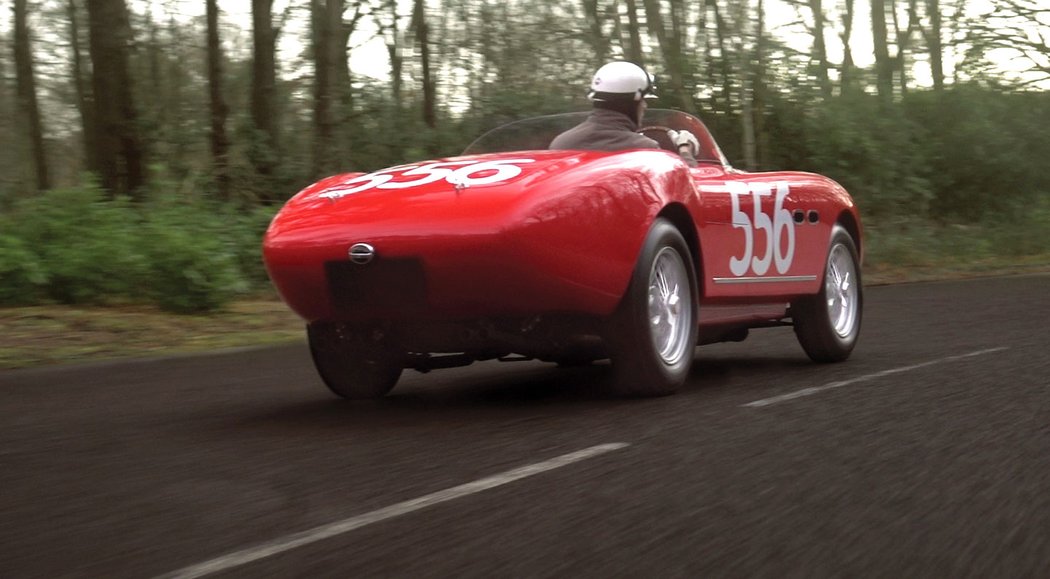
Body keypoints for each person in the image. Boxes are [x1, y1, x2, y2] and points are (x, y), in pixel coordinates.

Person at [549, 61, 699, 166]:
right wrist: (685, 149)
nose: (645, 106)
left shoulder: (560, 143)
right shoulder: (643, 148)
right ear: (632, 104)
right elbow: (683, 185)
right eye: (643, 101)